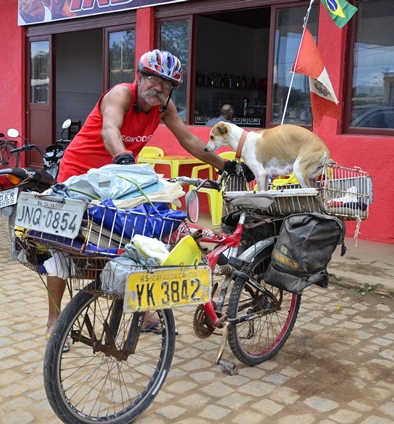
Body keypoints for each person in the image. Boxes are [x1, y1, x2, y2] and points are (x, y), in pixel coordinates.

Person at [47, 50, 252, 346]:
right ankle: (55, 320)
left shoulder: (164, 108)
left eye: (167, 84)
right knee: (63, 247)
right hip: (80, 177)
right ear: (139, 77)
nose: (159, 88)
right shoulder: (121, 95)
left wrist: (227, 165)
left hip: (118, 183)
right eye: (153, 79)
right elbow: (109, 130)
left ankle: (142, 312)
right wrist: (122, 156)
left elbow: (190, 140)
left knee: (144, 239)